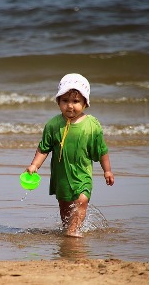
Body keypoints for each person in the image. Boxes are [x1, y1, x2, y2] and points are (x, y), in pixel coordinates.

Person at [25, 73, 114, 238]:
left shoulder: (92, 125)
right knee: (65, 206)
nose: (70, 106)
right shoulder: (53, 125)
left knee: (81, 201)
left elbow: (102, 150)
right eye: (65, 101)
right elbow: (44, 148)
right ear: (58, 101)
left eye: (75, 101)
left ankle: (73, 231)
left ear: (85, 103)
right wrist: (34, 165)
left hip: (82, 174)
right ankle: (68, 228)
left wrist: (107, 170)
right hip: (61, 176)